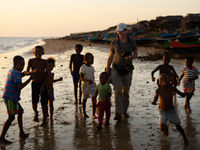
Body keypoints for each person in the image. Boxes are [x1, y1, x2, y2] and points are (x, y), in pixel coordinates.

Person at [106, 23, 138, 121]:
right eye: (120, 30)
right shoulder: (114, 42)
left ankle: (124, 111)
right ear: (118, 32)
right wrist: (107, 67)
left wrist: (130, 57)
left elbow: (136, 54)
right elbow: (111, 55)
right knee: (118, 91)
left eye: (124, 30)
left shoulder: (131, 41)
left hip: (127, 69)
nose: (122, 32)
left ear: (126, 31)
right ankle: (118, 113)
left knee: (126, 92)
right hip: (115, 68)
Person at [0, 56, 33, 144]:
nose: (22, 67)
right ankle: (1, 138)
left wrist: (26, 74)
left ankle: (21, 132)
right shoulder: (16, 73)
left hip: (11, 97)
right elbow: (20, 86)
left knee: (20, 111)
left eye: (24, 65)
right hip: (10, 98)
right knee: (11, 117)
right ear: (16, 64)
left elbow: (20, 75)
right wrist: (30, 78)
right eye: (21, 64)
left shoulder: (12, 71)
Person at [151, 73, 189, 144]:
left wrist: (187, 93)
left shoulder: (172, 88)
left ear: (169, 80)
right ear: (159, 82)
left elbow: (182, 94)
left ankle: (185, 138)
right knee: (162, 128)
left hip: (171, 111)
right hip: (162, 111)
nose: (163, 80)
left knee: (178, 126)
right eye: (161, 79)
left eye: (165, 78)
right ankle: (166, 128)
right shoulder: (158, 90)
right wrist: (154, 101)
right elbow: (156, 98)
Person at [26, 46, 48, 125]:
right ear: (34, 53)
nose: (38, 53)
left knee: (44, 102)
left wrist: (43, 85)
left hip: (43, 83)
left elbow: (47, 74)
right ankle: (36, 112)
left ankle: (44, 119)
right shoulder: (31, 61)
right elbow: (26, 72)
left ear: (43, 53)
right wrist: (33, 72)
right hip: (34, 83)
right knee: (34, 103)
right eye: (36, 52)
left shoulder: (45, 62)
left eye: (40, 52)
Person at [41, 57, 63, 122]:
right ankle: (45, 117)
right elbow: (43, 81)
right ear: (46, 66)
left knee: (51, 104)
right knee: (44, 105)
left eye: (52, 66)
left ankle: (51, 117)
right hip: (44, 91)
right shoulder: (44, 73)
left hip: (50, 90)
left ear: (53, 66)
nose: (50, 67)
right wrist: (42, 87)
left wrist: (58, 80)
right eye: (48, 66)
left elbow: (51, 81)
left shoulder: (52, 74)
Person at [80, 53, 97, 119]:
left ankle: (93, 114)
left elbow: (93, 76)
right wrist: (87, 81)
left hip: (92, 85)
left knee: (93, 98)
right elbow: (81, 78)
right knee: (85, 99)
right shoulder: (83, 67)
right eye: (91, 59)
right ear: (85, 60)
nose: (92, 60)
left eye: (93, 59)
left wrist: (94, 83)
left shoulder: (92, 68)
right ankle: (84, 112)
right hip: (85, 86)